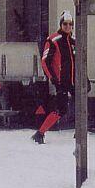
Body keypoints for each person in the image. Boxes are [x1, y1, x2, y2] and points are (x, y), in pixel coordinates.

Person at [32, 11, 76, 144]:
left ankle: (79, 132)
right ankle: (40, 132)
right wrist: (52, 77)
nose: (68, 27)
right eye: (65, 24)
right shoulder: (53, 40)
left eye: (70, 24)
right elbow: (45, 61)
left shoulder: (73, 42)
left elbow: (79, 62)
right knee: (61, 109)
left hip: (73, 80)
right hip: (61, 80)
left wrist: (83, 78)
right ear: (61, 24)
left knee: (81, 105)